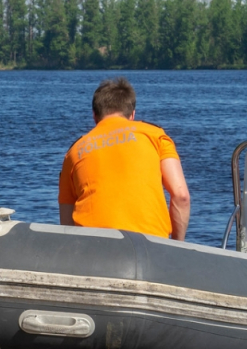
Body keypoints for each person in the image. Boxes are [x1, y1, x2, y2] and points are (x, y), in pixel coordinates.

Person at [58, 77, 190, 240]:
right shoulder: (154, 135)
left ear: (94, 116)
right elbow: (181, 196)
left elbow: (67, 225)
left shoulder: (73, 153)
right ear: (132, 115)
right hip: (150, 243)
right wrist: (176, 246)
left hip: (94, 245)